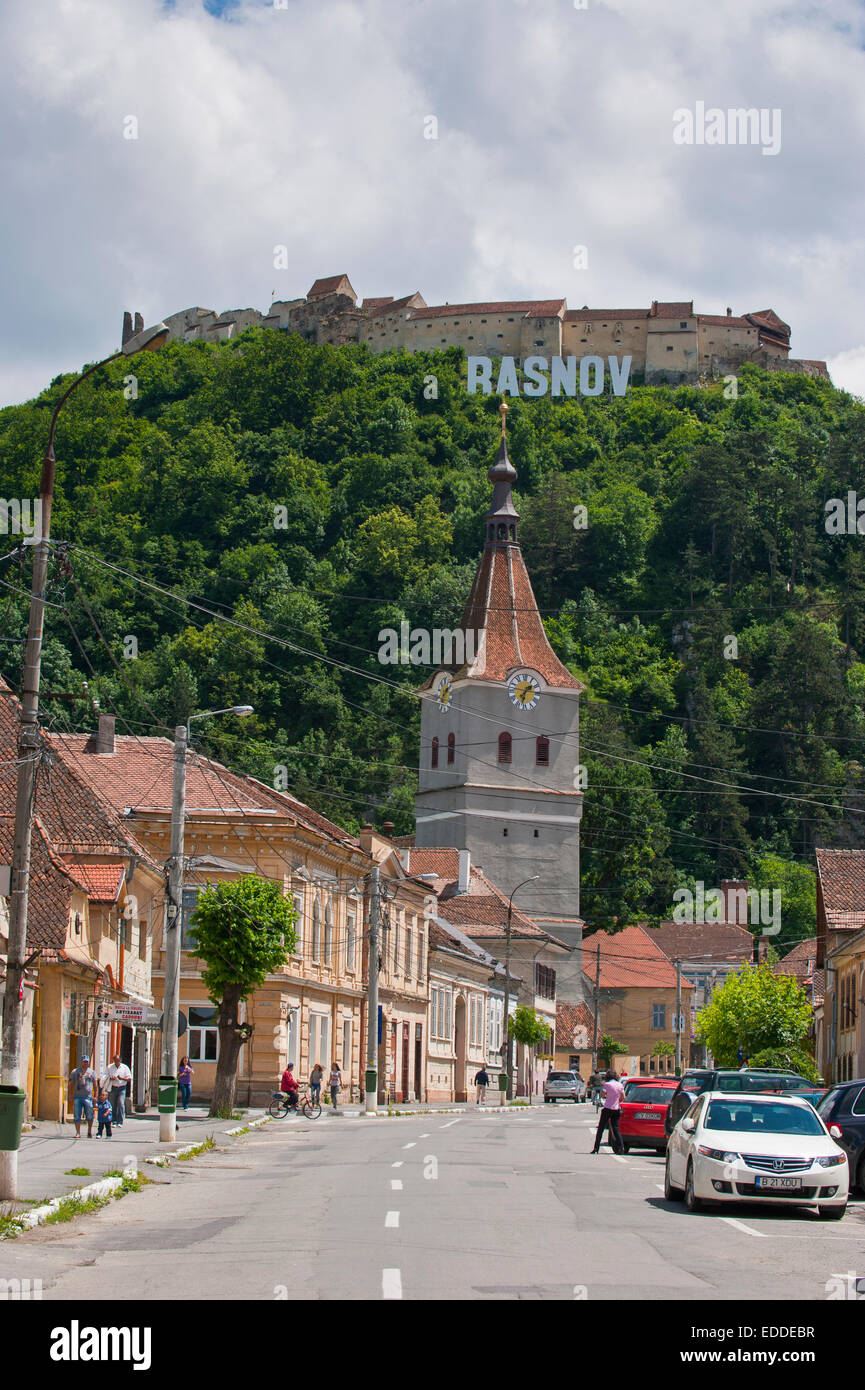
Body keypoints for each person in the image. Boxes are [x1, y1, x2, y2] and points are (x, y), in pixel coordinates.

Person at [591, 1070, 625, 1154]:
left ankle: (596, 1148)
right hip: (616, 1108)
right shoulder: (620, 1085)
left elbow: (603, 1095)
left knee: (601, 1128)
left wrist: (608, 1096)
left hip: (607, 1108)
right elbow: (623, 1096)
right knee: (616, 1128)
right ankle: (621, 1147)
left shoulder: (607, 1085)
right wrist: (617, 1100)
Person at [69, 1055, 97, 1138]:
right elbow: (71, 1083)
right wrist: (70, 1094)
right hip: (77, 1097)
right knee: (77, 1115)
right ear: (81, 1062)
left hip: (88, 1097)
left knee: (89, 1115)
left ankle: (89, 1131)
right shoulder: (75, 1071)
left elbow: (95, 1085)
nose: (85, 1063)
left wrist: (95, 1096)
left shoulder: (92, 1072)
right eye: (84, 1061)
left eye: (87, 1062)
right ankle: (78, 1132)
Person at [103, 1053, 133, 1126]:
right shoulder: (110, 1067)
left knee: (121, 1103)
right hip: (113, 1087)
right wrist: (110, 1078)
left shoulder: (125, 1067)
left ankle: (120, 1121)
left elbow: (129, 1078)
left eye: (118, 1060)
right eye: (115, 1060)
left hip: (122, 1087)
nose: (117, 1062)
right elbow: (105, 1075)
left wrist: (122, 1078)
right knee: (112, 1104)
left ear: (121, 1060)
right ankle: (114, 1121)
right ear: (113, 1060)